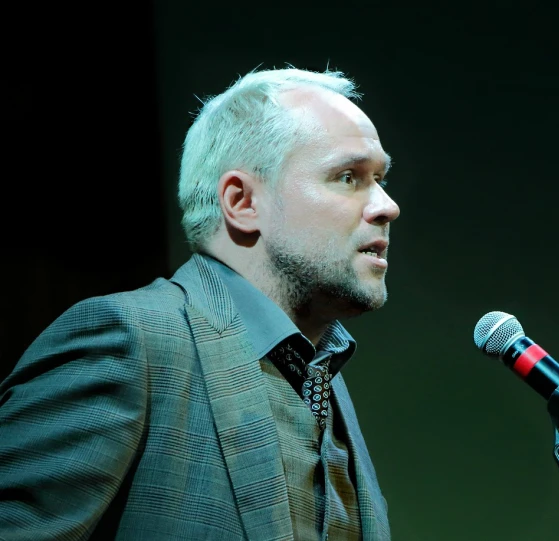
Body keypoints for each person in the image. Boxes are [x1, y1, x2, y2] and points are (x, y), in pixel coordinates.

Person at [0, 66, 400, 541]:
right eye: (349, 177)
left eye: (380, 178)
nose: (386, 206)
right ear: (242, 201)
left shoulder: (318, 374)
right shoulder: (128, 340)